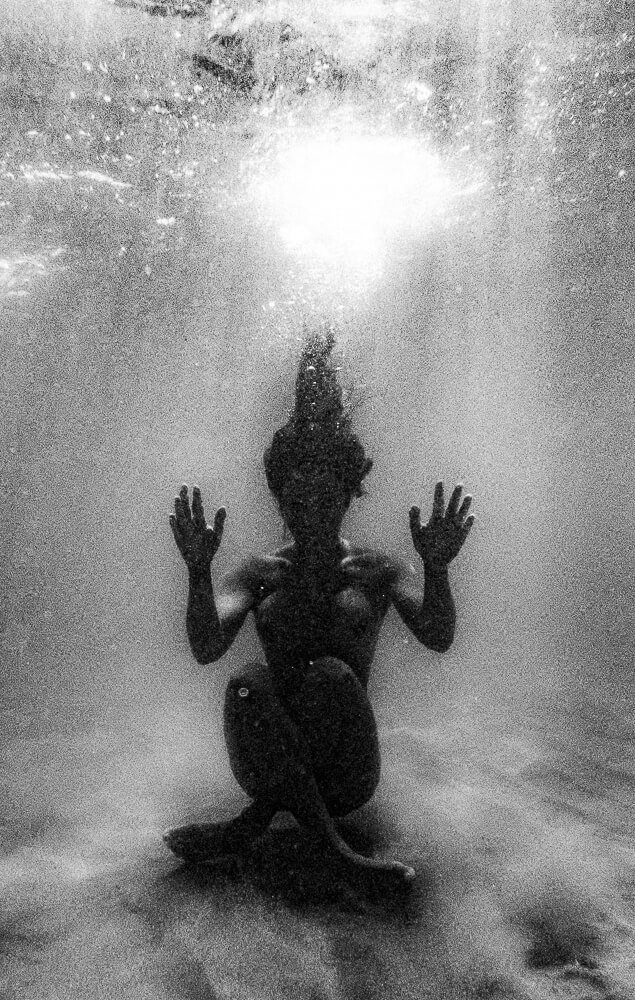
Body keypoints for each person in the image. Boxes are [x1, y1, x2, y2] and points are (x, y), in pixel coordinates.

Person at [164, 331, 474, 893]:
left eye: (327, 496)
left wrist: (437, 568)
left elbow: (437, 635)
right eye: (298, 498)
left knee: (328, 675)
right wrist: (198, 572)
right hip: (269, 757)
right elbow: (207, 646)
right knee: (244, 683)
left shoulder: (375, 569)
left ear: (349, 493)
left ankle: (264, 829)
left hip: (347, 774)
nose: (313, 511)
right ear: (280, 499)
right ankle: (321, 845)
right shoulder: (261, 572)